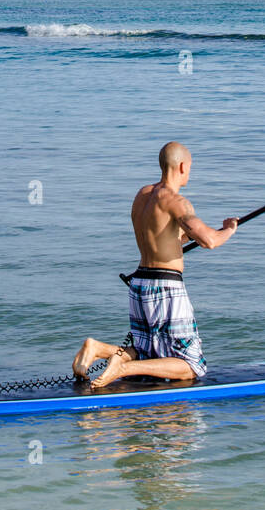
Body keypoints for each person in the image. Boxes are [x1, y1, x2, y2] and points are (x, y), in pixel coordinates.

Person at [72, 141, 238, 389]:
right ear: (182, 166)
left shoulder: (143, 195)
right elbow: (210, 241)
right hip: (166, 288)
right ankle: (122, 367)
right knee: (192, 366)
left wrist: (184, 236)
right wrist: (228, 230)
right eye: (191, 167)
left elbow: (162, 238)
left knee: (148, 350)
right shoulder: (176, 201)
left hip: (140, 283)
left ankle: (98, 349)